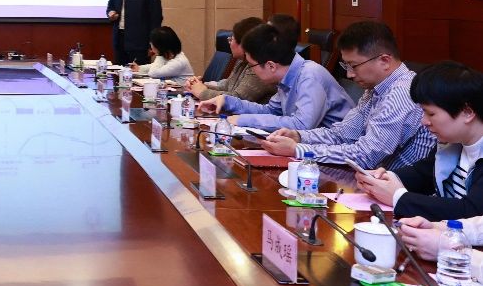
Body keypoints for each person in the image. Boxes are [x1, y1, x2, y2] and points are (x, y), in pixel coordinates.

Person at [255, 21, 433, 168]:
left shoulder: (401, 93)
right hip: (377, 180)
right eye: (346, 66)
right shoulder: (375, 89)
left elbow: (365, 156)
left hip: (403, 190)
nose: (349, 74)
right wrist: (299, 136)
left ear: (384, 61)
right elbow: (342, 134)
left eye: (353, 66)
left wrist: (298, 149)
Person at [358, 61, 483, 221]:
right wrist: (385, 179)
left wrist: (398, 198)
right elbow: (424, 174)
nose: (424, 121)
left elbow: (472, 211)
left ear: (467, 112)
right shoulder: (453, 143)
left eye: (431, 114)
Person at [196, 22, 352, 132]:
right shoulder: (287, 76)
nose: (250, 69)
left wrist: (243, 119)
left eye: (251, 65)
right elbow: (271, 111)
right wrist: (227, 101)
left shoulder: (310, 76)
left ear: (271, 65)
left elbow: (301, 125)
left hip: (337, 153)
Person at [184, 16, 275, 105]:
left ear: (243, 44)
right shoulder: (242, 62)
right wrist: (198, 86)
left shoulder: (259, 67)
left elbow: (238, 98)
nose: (229, 44)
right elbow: (228, 86)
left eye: (231, 39)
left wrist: (202, 92)